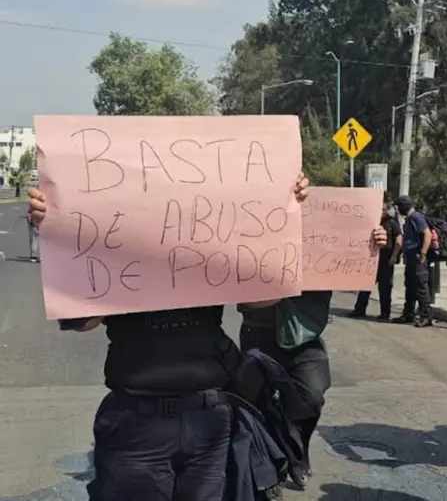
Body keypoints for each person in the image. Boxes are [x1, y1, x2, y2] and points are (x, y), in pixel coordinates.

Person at [28, 173, 310, 501]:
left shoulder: (211, 235)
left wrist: (286, 213)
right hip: (135, 417)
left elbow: (264, 298)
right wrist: (60, 230)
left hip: (208, 415)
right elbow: (83, 321)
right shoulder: (115, 239)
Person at [238, 226, 388, 492]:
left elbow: (354, 269)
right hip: (258, 329)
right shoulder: (254, 221)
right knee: (258, 403)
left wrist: (371, 245)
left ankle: (297, 449)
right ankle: (270, 466)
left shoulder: (320, 223)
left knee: (311, 398)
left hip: (304, 334)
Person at [351, 193, 403, 319]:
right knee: (365, 286)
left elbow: (399, 240)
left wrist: (393, 257)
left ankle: (385, 314)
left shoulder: (392, 223)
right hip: (372, 260)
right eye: (380, 209)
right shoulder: (373, 222)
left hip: (385, 261)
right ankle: (359, 310)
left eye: (384, 209)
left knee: (385, 289)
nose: (382, 211)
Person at [392, 195, 433, 327]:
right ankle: (408, 314)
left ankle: (426, 317)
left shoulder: (417, 217)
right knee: (410, 287)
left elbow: (427, 234)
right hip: (410, 258)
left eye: (398, 207)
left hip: (417, 258)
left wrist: (423, 253)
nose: (397, 210)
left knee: (421, 287)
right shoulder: (409, 219)